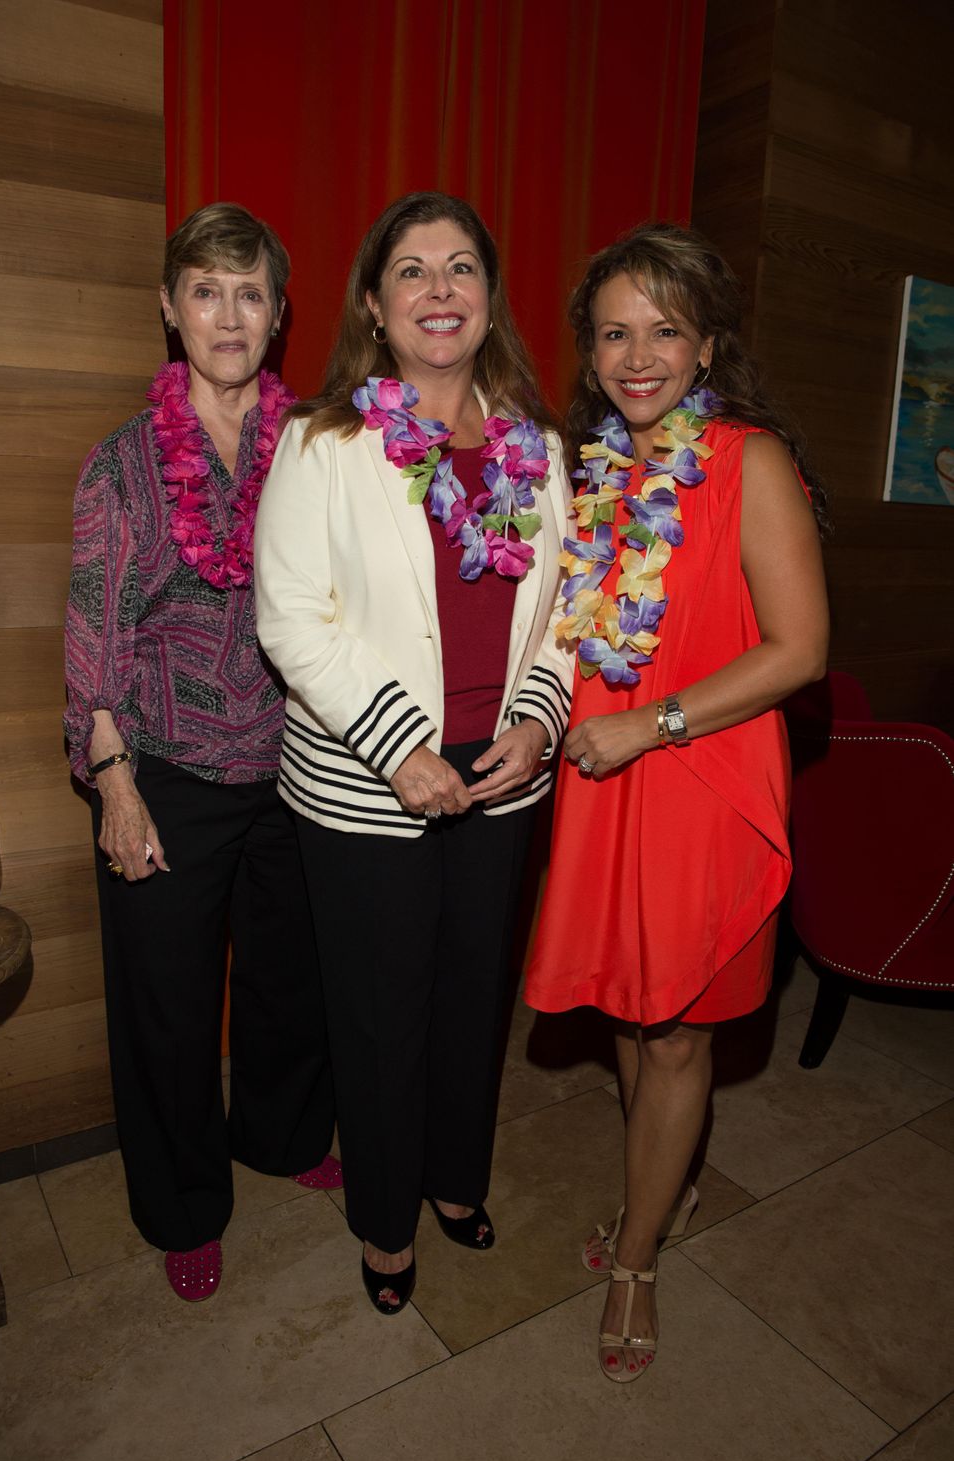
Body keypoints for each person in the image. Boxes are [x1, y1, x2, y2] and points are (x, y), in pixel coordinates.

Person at [254, 191, 573, 1314]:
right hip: (365, 781)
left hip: (504, 773)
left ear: (488, 299)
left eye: (460, 268)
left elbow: (567, 608)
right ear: (374, 308)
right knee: (381, 1012)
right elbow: (289, 615)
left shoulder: (539, 450)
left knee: (473, 999)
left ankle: (453, 1177)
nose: (439, 289)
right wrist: (398, 746)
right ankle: (385, 1220)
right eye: (411, 271)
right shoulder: (322, 440)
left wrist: (539, 718)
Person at [524, 223, 829, 1381]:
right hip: (604, 786)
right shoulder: (596, 472)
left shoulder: (748, 461)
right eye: (613, 333)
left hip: (697, 775)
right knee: (626, 1006)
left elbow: (799, 649)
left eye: (662, 330)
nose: (636, 356)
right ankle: (666, 1179)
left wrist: (649, 724)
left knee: (677, 1030)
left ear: (706, 345)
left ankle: (637, 1254)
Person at [64, 202, 339, 1303]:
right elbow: (93, 631)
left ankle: (282, 1134)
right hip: (166, 774)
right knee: (167, 1007)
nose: (230, 316)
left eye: (251, 293)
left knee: (293, 980)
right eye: (207, 291)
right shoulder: (120, 465)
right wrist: (114, 785)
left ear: (278, 315)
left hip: (300, 764)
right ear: (170, 310)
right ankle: (182, 1204)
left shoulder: (318, 451)